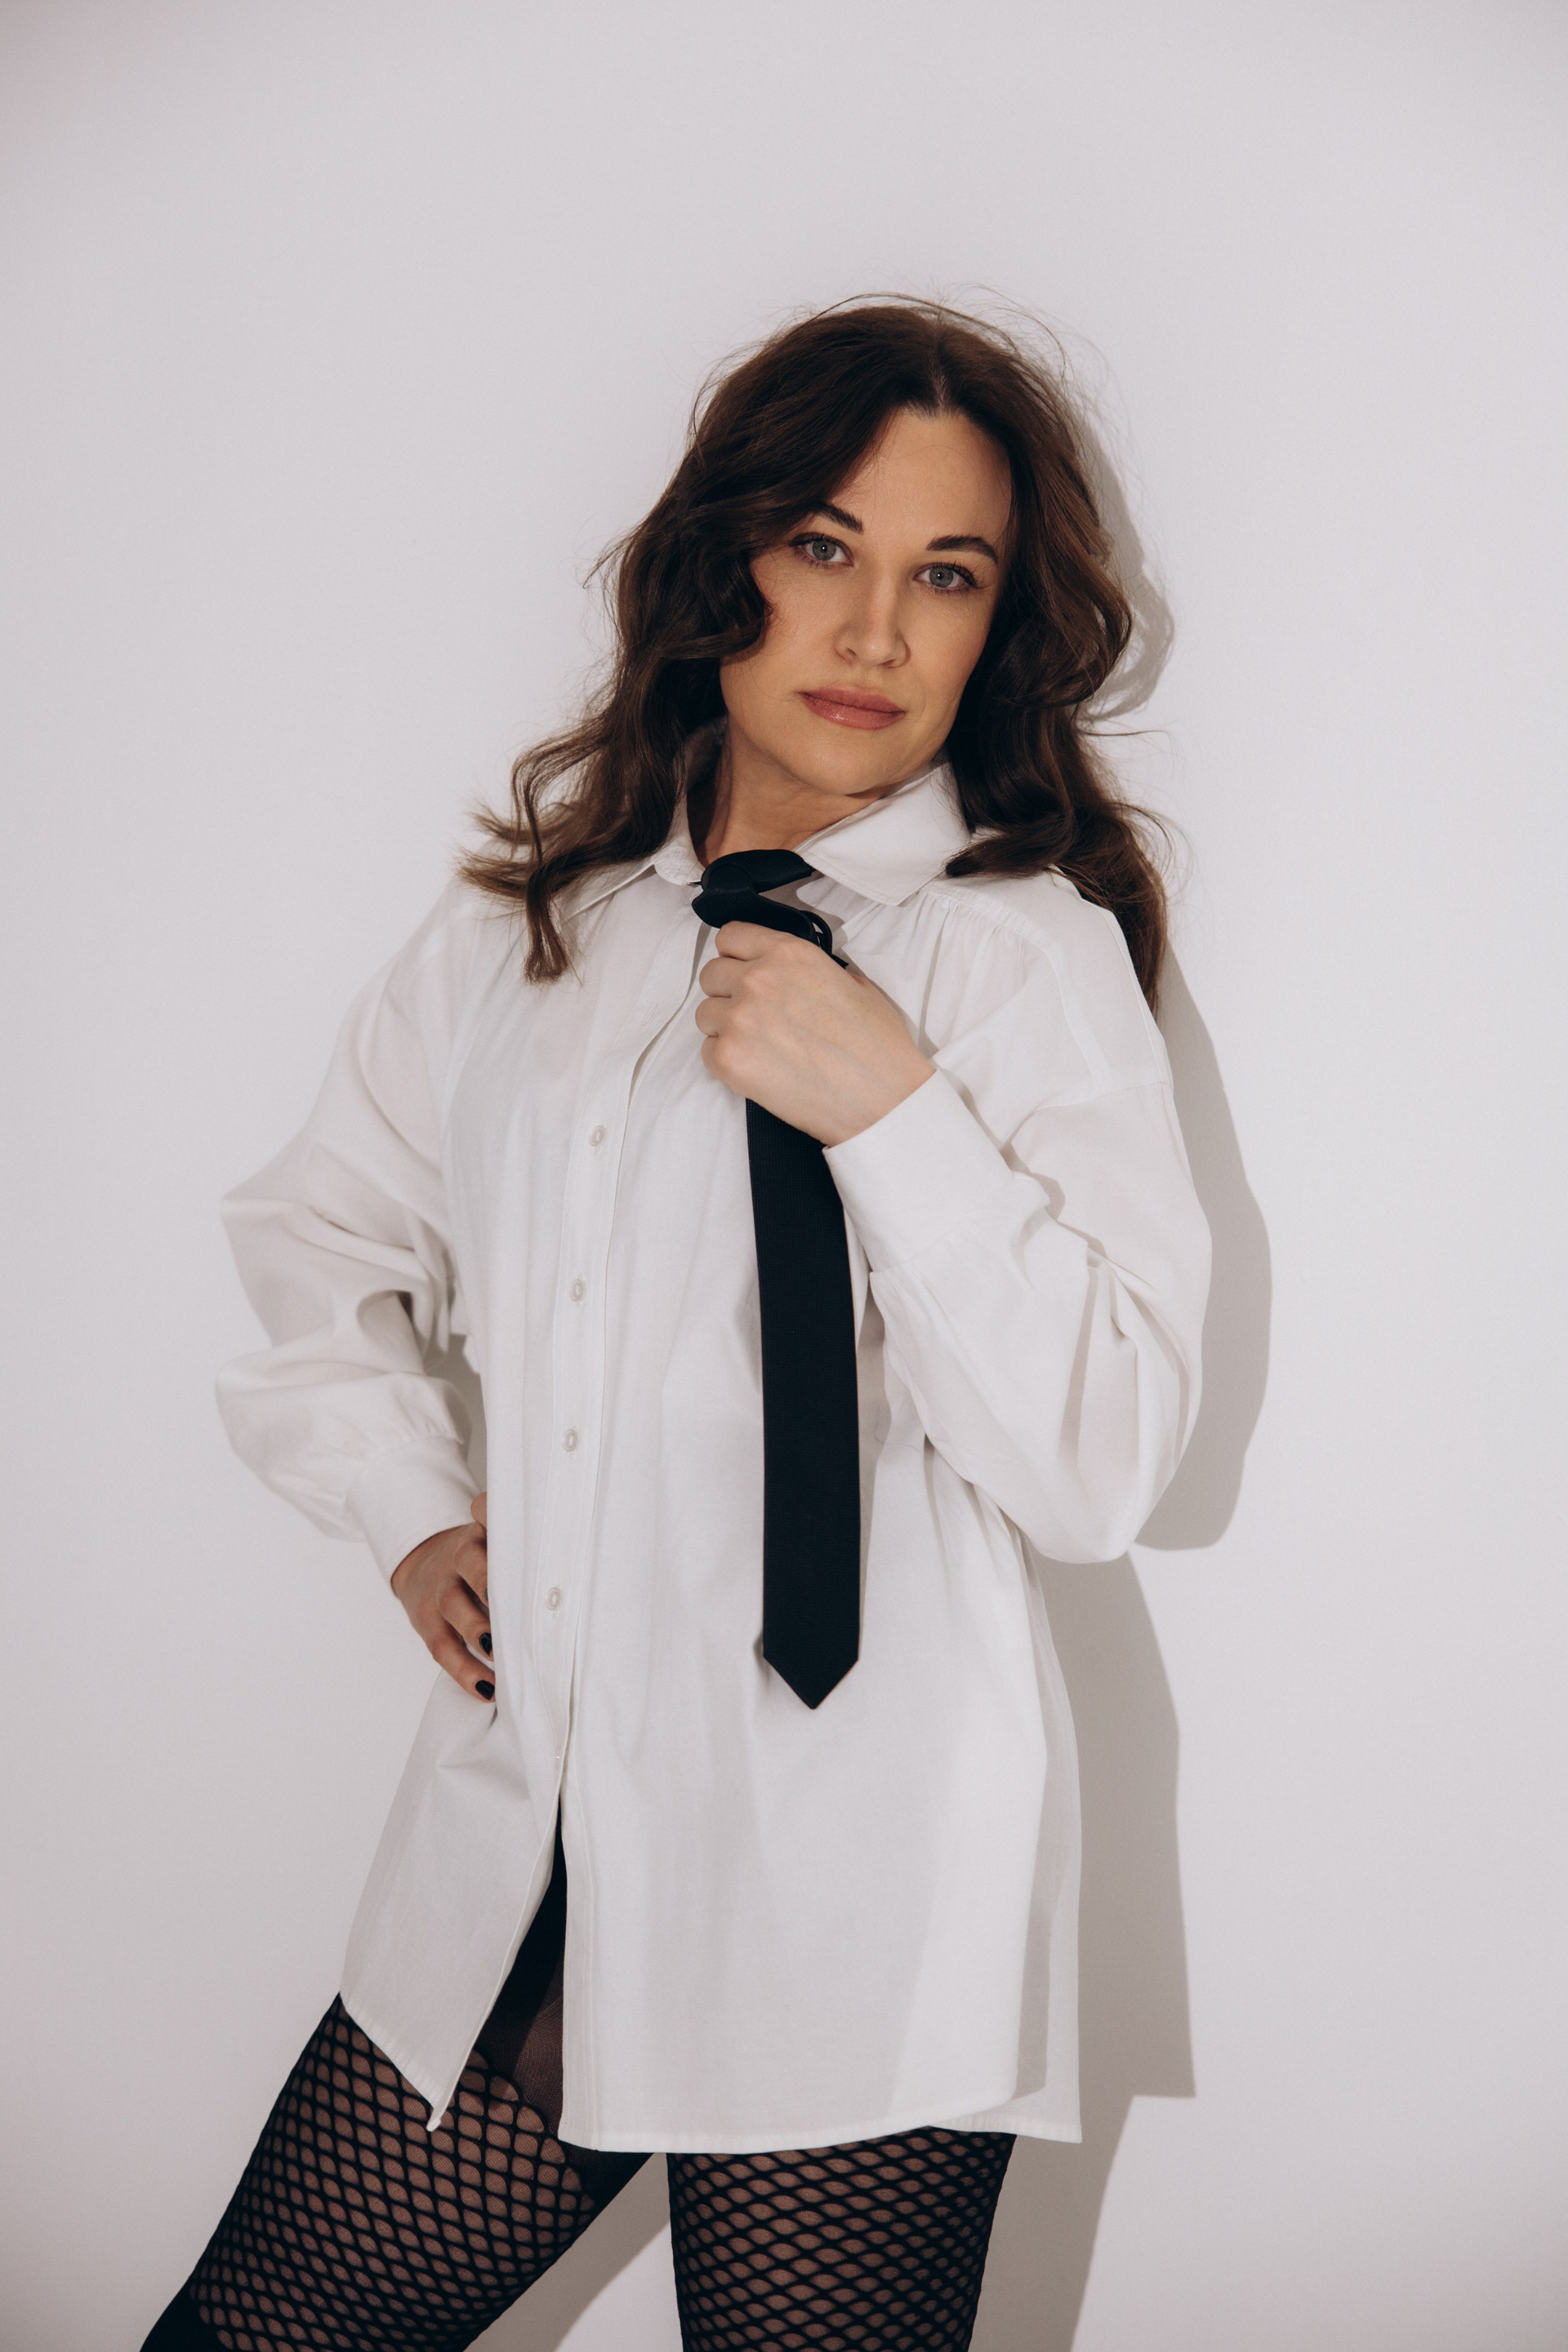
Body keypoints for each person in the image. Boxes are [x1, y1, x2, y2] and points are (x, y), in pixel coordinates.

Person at [144, 299, 1210, 2352]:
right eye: (824, 546)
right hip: (530, 1837)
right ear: (722, 561)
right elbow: (314, 1230)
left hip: (861, 1871)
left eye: (948, 575)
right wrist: (402, 1505)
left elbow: (1101, 1466)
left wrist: (887, 1108)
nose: (875, 630)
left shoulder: (1019, 959)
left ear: (1001, 626)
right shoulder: (530, 933)